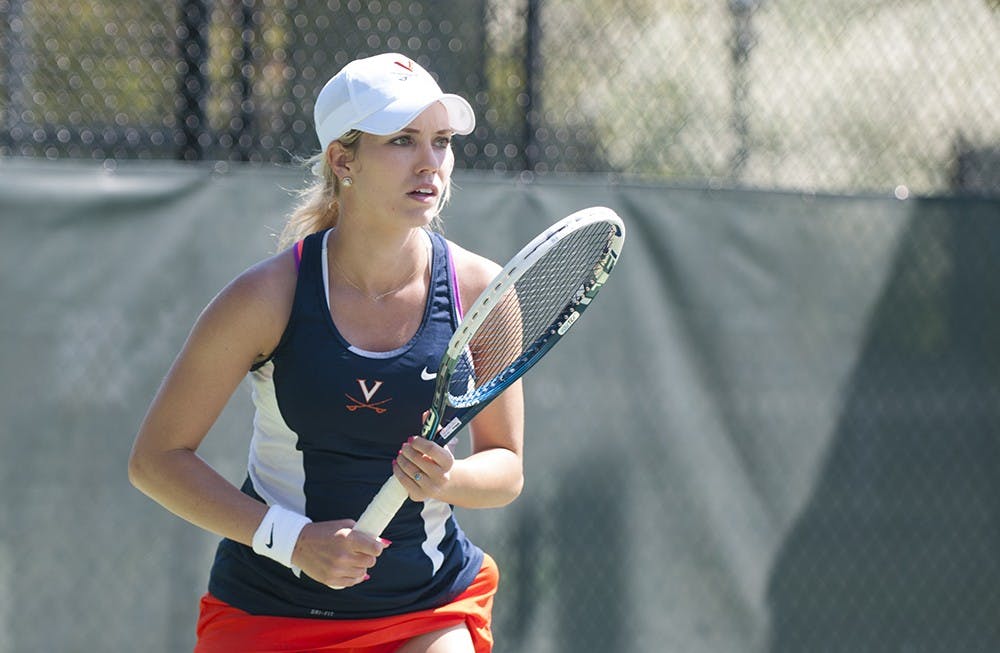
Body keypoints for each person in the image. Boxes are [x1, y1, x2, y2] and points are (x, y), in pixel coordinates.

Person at [128, 52, 524, 653]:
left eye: (441, 141)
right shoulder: (264, 298)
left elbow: (506, 468)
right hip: (268, 611)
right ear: (343, 159)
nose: (430, 163)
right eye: (401, 140)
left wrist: (449, 478)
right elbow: (156, 460)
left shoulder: (482, 290)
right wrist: (292, 540)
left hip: (427, 608)